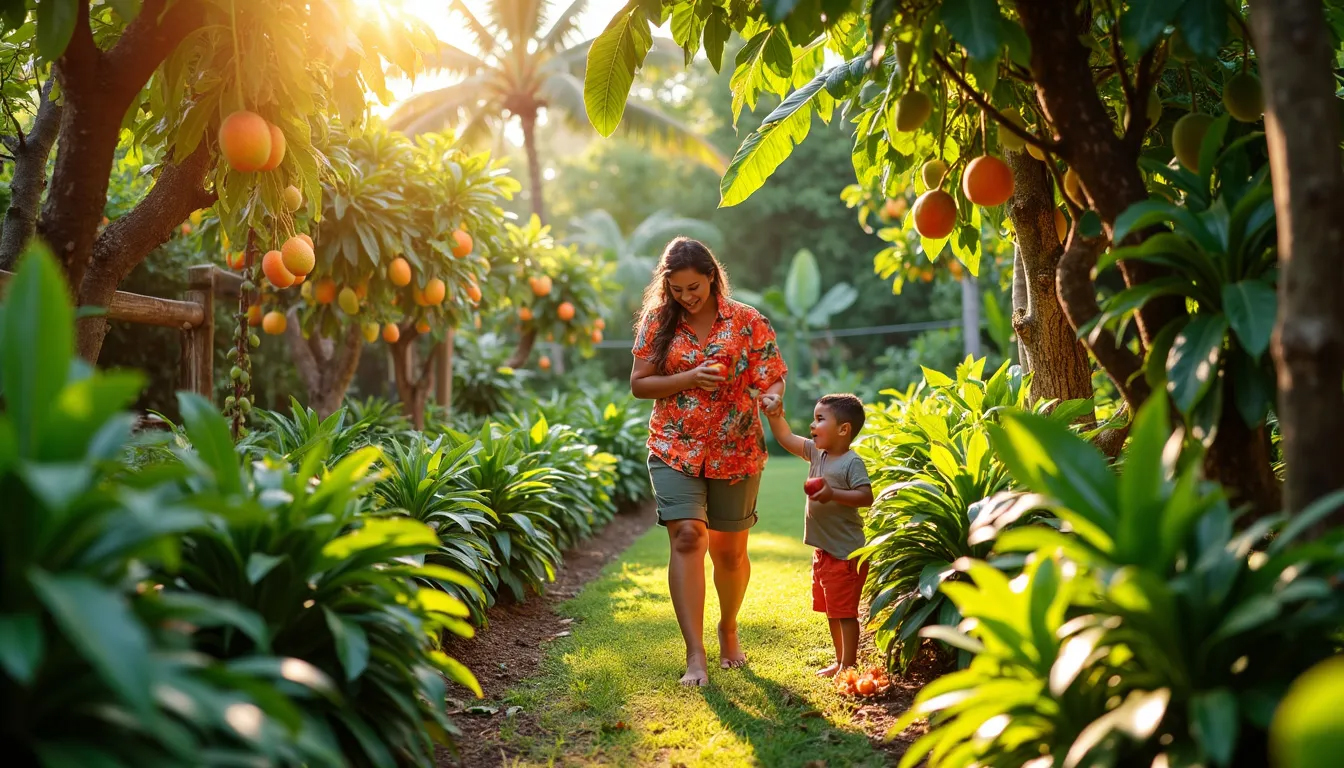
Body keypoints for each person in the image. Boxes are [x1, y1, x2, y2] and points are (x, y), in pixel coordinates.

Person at [630, 237, 787, 687]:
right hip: (673, 445)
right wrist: (689, 377)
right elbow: (640, 384)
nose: (687, 297)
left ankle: (729, 627)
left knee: (730, 553)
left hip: (735, 449)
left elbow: (771, 379)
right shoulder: (658, 321)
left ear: (713, 276)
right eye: (677, 289)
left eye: (694, 287)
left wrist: (772, 401)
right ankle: (694, 654)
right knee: (686, 537)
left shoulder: (747, 321)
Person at [759, 392, 874, 677]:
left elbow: (866, 496)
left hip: (846, 554)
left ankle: (849, 664)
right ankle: (840, 661)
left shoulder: (851, 463)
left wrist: (833, 492)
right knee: (833, 611)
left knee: (845, 613)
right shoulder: (816, 452)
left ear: (843, 429)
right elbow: (787, 439)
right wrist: (775, 416)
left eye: (820, 419)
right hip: (824, 552)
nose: (812, 425)